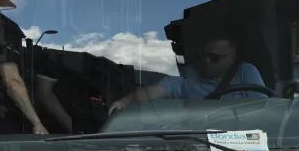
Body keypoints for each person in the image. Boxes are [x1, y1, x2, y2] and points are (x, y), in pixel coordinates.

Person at [108, 28, 267, 113]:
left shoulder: (246, 72)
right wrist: (126, 101)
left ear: (232, 58)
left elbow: (263, 110)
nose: (206, 61)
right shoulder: (187, 76)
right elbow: (154, 92)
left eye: (214, 57)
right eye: (203, 55)